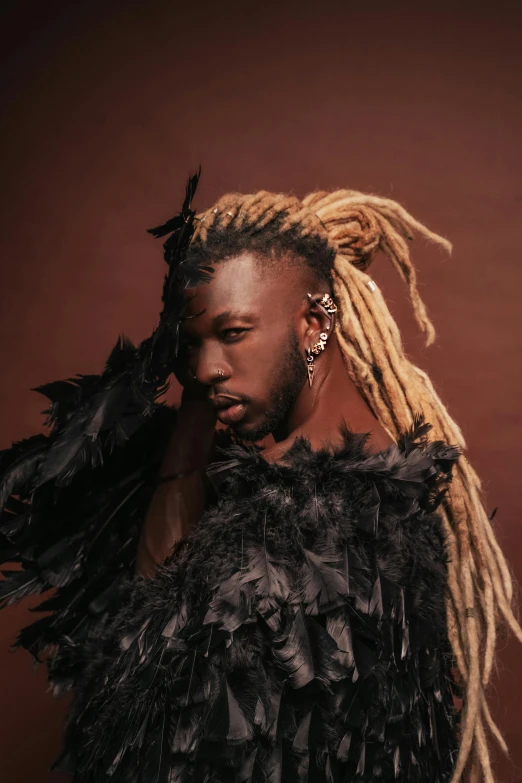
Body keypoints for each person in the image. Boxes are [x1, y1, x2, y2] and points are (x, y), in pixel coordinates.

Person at [0, 174, 519, 782]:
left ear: (313, 325)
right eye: (192, 345)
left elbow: (138, 686)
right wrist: (199, 405)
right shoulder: (316, 473)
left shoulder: (321, 520)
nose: (206, 369)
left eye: (234, 333)